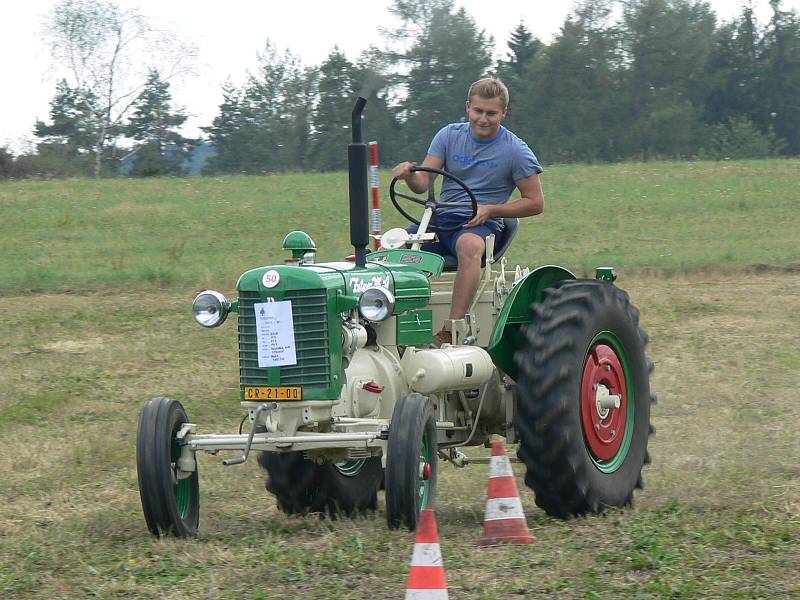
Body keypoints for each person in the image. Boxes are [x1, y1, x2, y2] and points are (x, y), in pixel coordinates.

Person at [392, 77, 544, 345]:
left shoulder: (516, 151)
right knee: (391, 248)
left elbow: (535, 202)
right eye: (478, 111)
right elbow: (422, 184)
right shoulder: (449, 136)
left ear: (504, 113)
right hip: (441, 219)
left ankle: (452, 329)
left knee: (470, 248)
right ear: (468, 108)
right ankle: (387, 326)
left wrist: (492, 209)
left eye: (491, 113)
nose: (483, 119)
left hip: (480, 222)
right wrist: (408, 176)